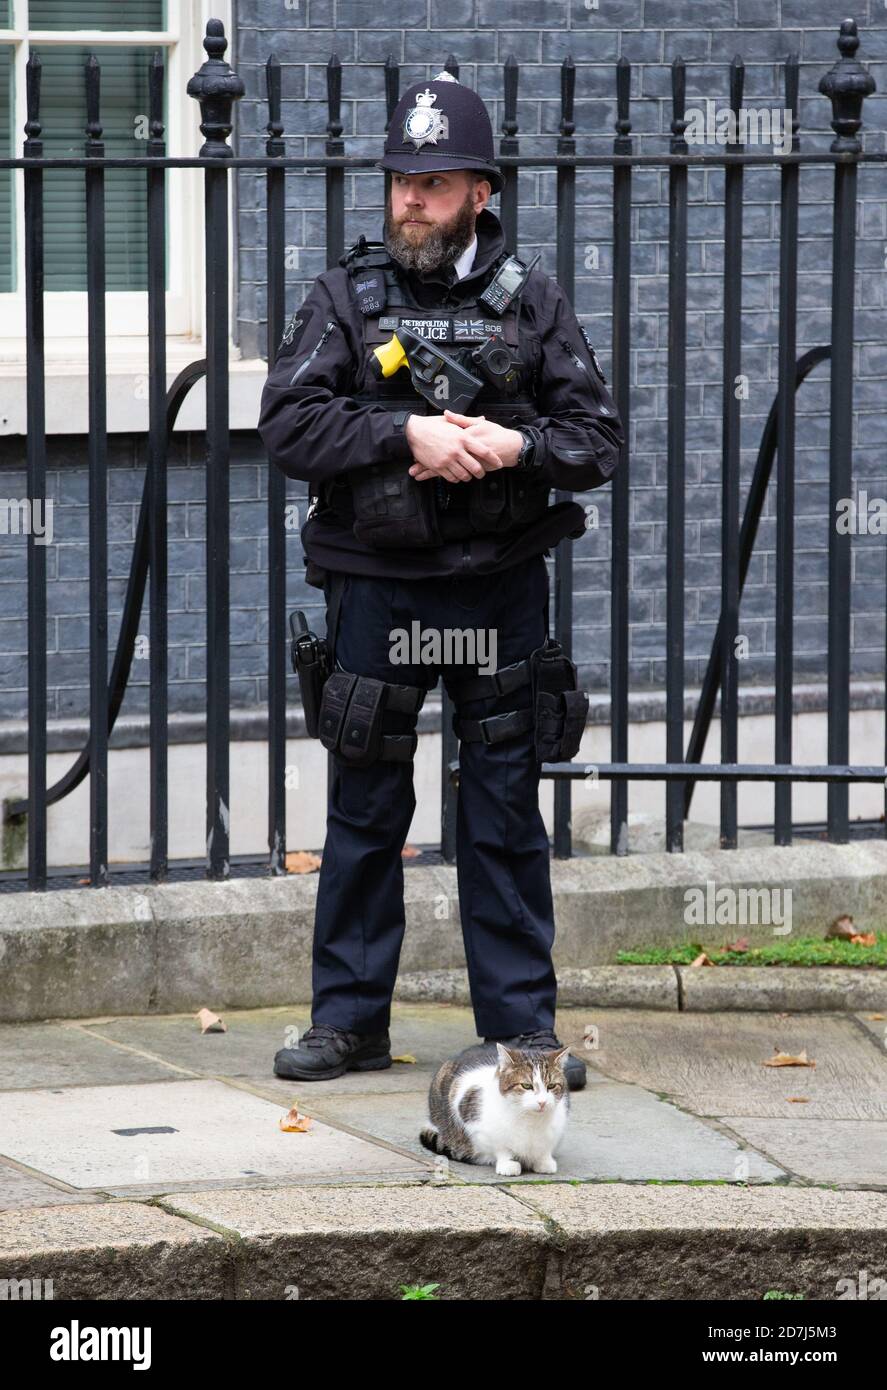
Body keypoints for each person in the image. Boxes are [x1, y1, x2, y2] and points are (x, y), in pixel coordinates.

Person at [258, 72, 624, 1091]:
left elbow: (595, 438)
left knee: (503, 809)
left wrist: (508, 446)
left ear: (479, 192)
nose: (409, 201)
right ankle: (348, 1023)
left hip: (500, 588)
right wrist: (403, 428)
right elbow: (286, 425)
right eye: (399, 182)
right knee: (364, 804)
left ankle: (522, 1039)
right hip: (376, 585)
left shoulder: (533, 301)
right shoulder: (344, 298)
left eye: (432, 183)